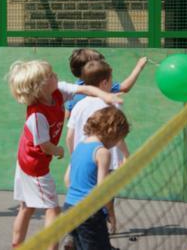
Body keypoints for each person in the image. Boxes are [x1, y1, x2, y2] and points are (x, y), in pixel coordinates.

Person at [6, 60, 122, 250]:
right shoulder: (36, 116)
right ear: (40, 87)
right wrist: (58, 150)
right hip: (35, 167)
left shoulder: (57, 91)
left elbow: (85, 90)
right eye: (50, 75)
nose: (55, 76)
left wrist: (105, 96)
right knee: (53, 209)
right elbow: (44, 146)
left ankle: (17, 246)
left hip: (27, 160)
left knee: (27, 207)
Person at [65, 60, 130, 236]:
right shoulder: (110, 104)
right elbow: (116, 134)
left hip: (83, 157)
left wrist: (74, 158)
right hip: (103, 158)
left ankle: (80, 229)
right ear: (104, 83)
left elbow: (69, 136)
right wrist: (126, 155)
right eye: (111, 80)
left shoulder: (78, 105)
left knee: (81, 190)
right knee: (104, 191)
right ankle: (109, 221)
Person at [64, 106, 130, 250]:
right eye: (119, 139)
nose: (116, 144)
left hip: (69, 208)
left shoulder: (79, 147)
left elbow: (67, 180)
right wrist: (110, 213)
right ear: (112, 132)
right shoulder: (103, 152)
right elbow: (102, 190)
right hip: (89, 212)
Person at [65, 48, 147, 118]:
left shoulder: (74, 90)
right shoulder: (101, 84)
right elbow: (125, 87)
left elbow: (68, 115)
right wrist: (139, 66)